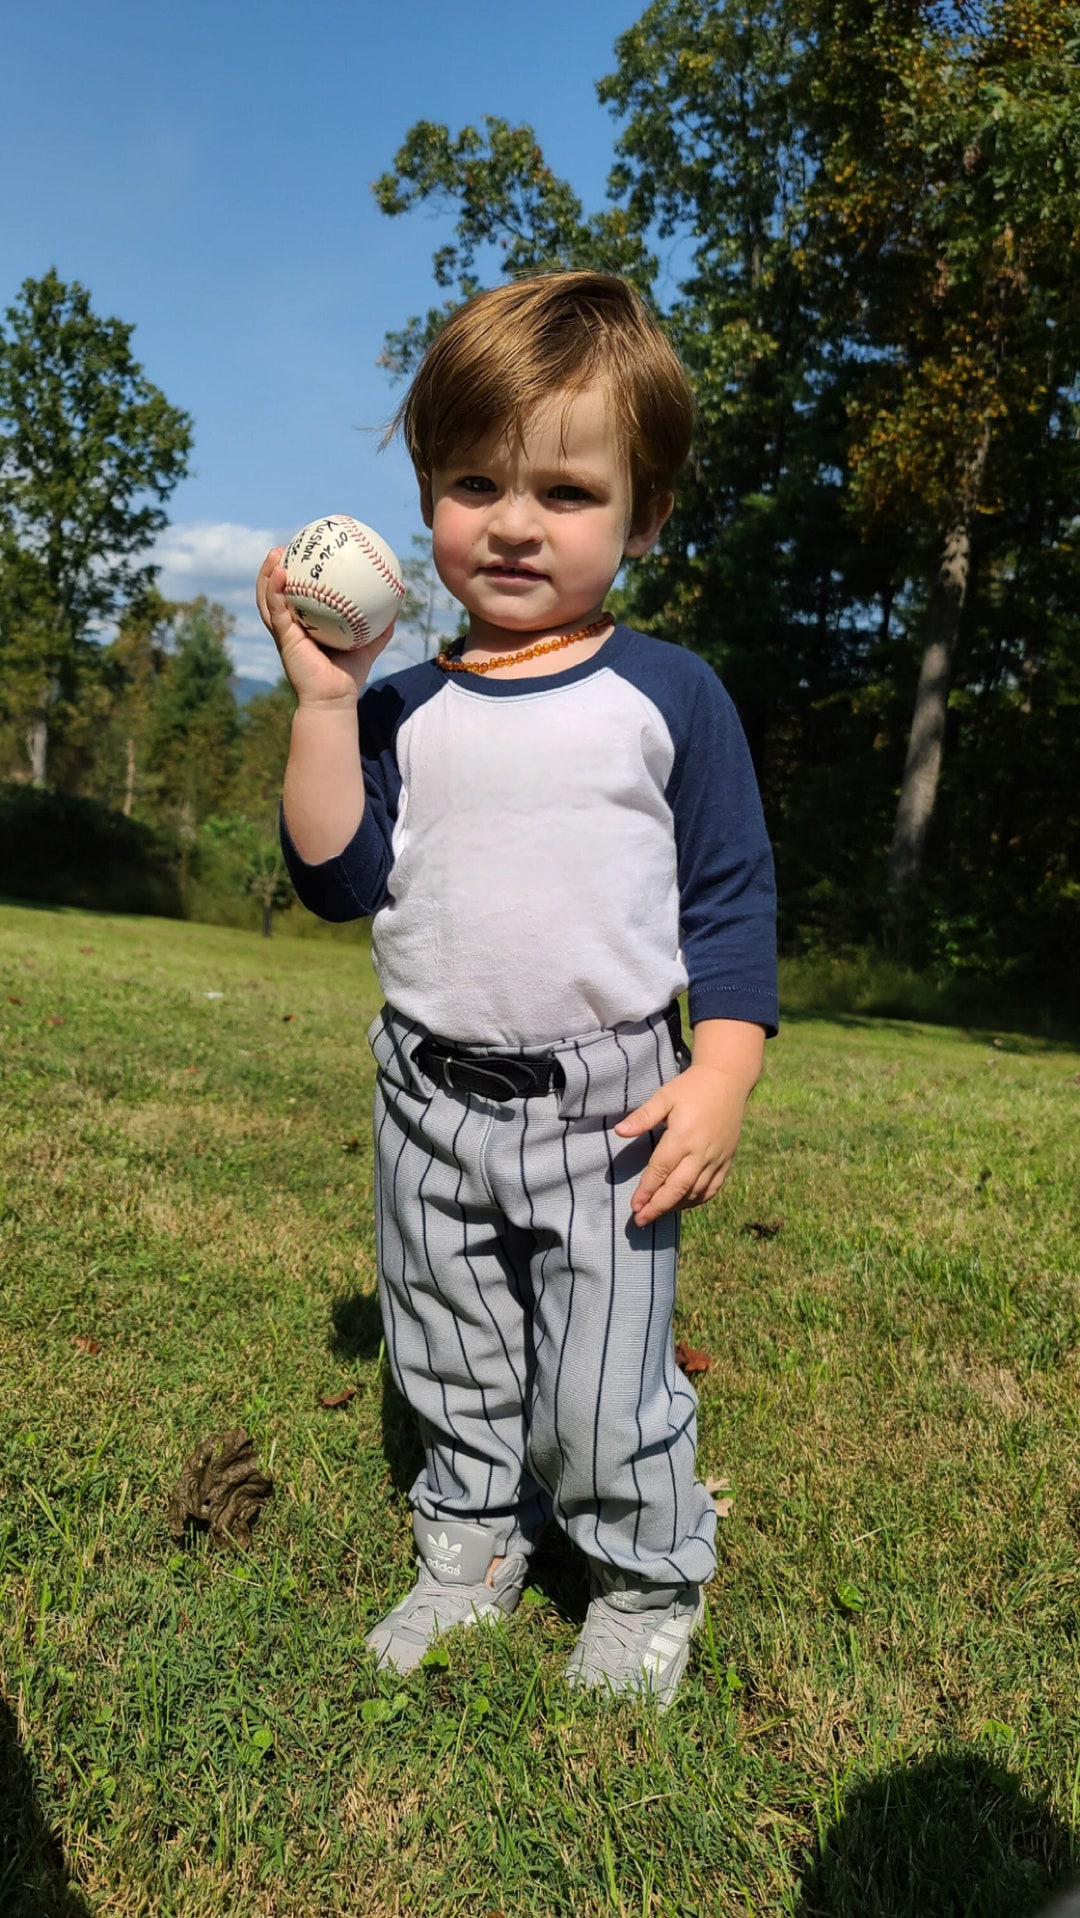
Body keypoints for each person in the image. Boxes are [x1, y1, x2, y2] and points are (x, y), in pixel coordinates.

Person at [256, 270, 778, 1707]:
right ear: (429, 497)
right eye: (476, 480)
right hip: (426, 1098)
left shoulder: (668, 696)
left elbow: (730, 901)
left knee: (605, 1388)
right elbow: (334, 877)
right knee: (450, 1352)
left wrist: (720, 1071)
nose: (515, 521)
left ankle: (647, 1571)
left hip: (609, 1106)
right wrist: (320, 699)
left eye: (566, 489)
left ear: (646, 516)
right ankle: (472, 1541)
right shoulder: (401, 704)